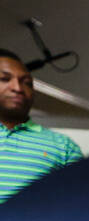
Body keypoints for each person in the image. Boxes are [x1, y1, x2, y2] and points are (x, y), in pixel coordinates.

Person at [0, 49, 82, 203]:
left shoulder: (64, 147)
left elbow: (78, 205)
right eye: (5, 79)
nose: (18, 88)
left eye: (27, 83)